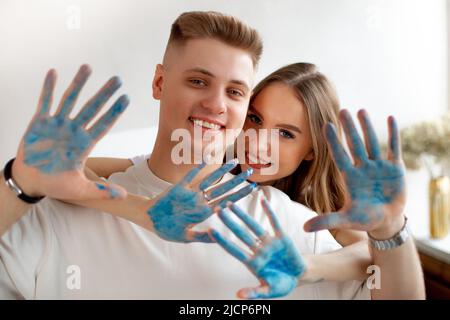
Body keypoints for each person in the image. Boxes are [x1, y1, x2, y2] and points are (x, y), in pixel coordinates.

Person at [0, 11, 424, 299]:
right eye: (199, 81)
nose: (217, 105)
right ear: (160, 83)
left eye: (235, 92)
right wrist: (23, 182)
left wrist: (390, 229)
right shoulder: (54, 207)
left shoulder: (291, 227)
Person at [84, 62, 372, 282]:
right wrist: (138, 210)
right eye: (255, 119)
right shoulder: (202, 167)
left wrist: (305, 268)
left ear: (312, 148)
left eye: (285, 134)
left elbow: (370, 254)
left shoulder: (321, 205)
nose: (259, 143)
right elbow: (73, 169)